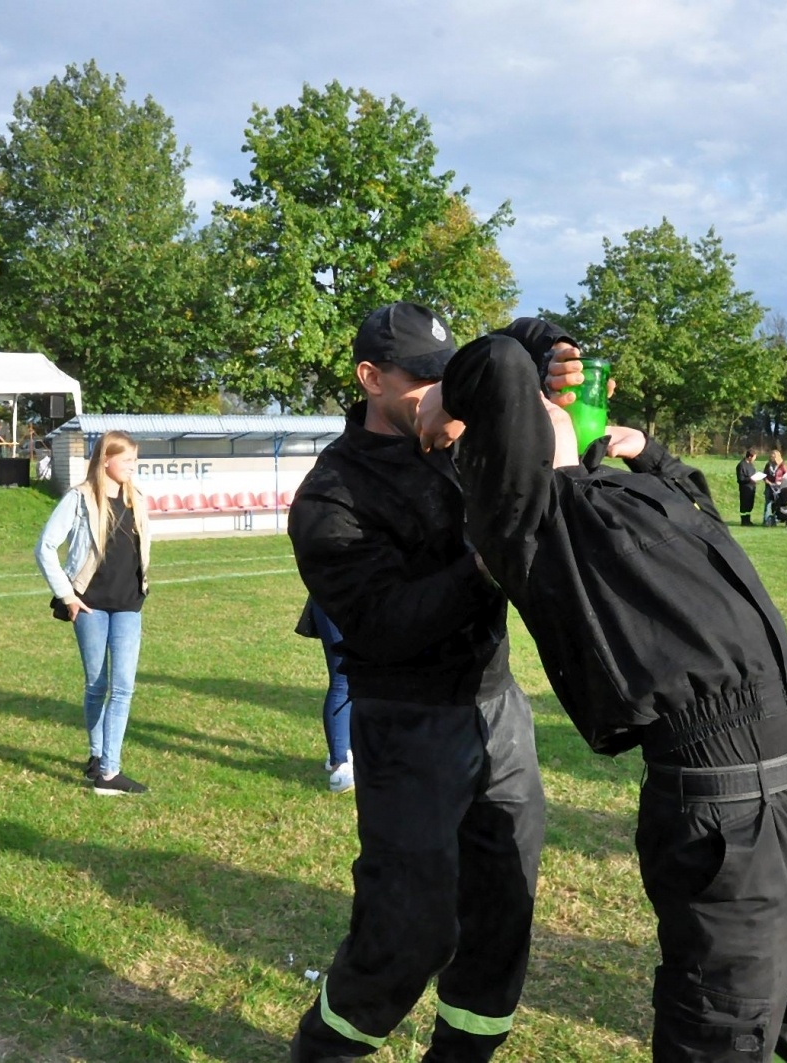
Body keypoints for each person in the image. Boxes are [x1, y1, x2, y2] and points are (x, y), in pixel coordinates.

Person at [418, 322, 787, 1063]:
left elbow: (706, 516)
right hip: (729, 812)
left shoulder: (620, 492)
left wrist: (645, 447)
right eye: (534, 401)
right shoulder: (530, 523)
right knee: (721, 1039)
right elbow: (500, 362)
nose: (551, 401)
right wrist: (447, 395)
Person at [286, 302, 545, 1063]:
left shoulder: (458, 443)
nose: (443, 392)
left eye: (448, 374)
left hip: (498, 711)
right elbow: (384, 624)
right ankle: (322, 1053)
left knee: (503, 913)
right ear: (370, 378)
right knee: (409, 932)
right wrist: (481, 566)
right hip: (408, 726)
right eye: (424, 378)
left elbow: (513, 365)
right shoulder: (330, 497)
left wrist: (551, 347)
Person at [35, 430, 152, 796]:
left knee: (123, 687)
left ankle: (108, 771)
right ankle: (98, 756)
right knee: (97, 685)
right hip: (90, 605)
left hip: (129, 605)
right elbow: (46, 546)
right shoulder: (79, 498)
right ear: (106, 460)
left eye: (135, 460)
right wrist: (67, 596)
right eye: (127, 460)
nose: (133, 466)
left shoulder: (138, 498)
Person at [295, 597, 354, 793]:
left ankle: (346, 750)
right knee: (341, 679)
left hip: (364, 597)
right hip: (336, 598)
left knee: (362, 679)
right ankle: (339, 765)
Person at [734, 448, 760, 526]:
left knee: (750, 505)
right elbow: (740, 479)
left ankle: (748, 520)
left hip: (751, 488)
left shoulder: (751, 465)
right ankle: (744, 521)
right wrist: (750, 479)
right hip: (745, 488)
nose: (754, 459)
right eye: (754, 457)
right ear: (749, 457)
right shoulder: (741, 465)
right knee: (744, 505)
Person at [761, 448, 787, 525]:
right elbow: (764, 475)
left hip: (779, 487)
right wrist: (767, 481)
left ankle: (776, 519)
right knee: (768, 503)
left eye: (773, 456)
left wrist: (781, 482)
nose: (772, 458)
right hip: (769, 486)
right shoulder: (768, 465)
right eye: (771, 456)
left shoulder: (782, 465)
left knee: (777, 504)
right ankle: (766, 520)